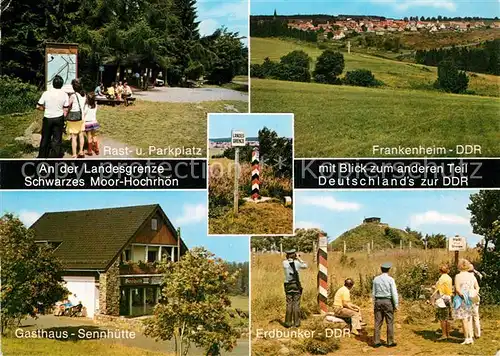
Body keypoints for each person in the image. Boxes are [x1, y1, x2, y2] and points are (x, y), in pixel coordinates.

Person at [36, 75, 69, 158]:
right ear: (62, 84)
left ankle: (42, 156)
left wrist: (45, 108)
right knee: (57, 139)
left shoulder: (46, 93)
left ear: (53, 84)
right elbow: (66, 108)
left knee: (45, 138)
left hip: (48, 117)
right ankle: (54, 157)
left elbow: (38, 106)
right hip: (59, 118)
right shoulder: (64, 94)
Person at [372, 262, 399, 348]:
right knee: (389, 322)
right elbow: (394, 293)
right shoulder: (391, 279)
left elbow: (373, 293)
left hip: (378, 301)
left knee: (377, 322)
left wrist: (374, 303)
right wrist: (396, 304)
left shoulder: (376, 279)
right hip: (387, 301)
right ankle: (390, 342)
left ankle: (376, 341)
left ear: (381, 269)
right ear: (388, 270)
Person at [453, 259, 478, 345]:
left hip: (462, 299)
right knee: (468, 318)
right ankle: (470, 337)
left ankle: (467, 338)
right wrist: (474, 294)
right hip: (471, 299)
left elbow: (457, 289)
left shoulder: (458, 276)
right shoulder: (472, 276)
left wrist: (462, 297)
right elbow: (477, 287)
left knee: (464, 319)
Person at [283, 249, 307, 328]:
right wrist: (299, 258)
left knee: (289, 303)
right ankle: (296, 323)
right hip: (296, 284)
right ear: (294, 255)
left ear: (287, 255)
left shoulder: (284, 263)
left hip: (287, 284)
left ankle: (287, 323)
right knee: (296, 303)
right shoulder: (297, 263)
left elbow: (287, 262)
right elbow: (305, 266)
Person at [432, 265, 453, 340]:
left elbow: (438, 290)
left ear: (440, 271)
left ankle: (444, 335)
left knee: (442, 318)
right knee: (448, 317)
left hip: (442, 299)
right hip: (448, 298)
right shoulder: (449, 278)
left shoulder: (441, 279)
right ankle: (448, 333)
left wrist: (432, 298)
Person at [67, 79, 86, 158]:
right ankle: (81, 151)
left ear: (73, 87)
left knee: (74, 137)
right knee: (81, 135)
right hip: (82, 117)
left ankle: (74, 154)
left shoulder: (73, 96)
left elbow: (68, 105)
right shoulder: (84, 94)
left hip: (74, 117)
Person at [83, 92, 100, 156]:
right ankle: (97, 149)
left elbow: (84, 113)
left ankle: (90, 151)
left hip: (88, 122)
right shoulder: (95, 105)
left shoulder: (86, 106)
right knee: (94, 135)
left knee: (89, 137)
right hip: (94, 122)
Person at [468, 263, 481, 339]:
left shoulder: (464, 277)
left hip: (468, 298)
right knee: (476, 316)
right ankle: (478, 333)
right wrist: (476, 292)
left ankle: (470, 334)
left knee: (469, 316)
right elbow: (477, 287)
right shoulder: (475, 276)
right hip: (475, 297)